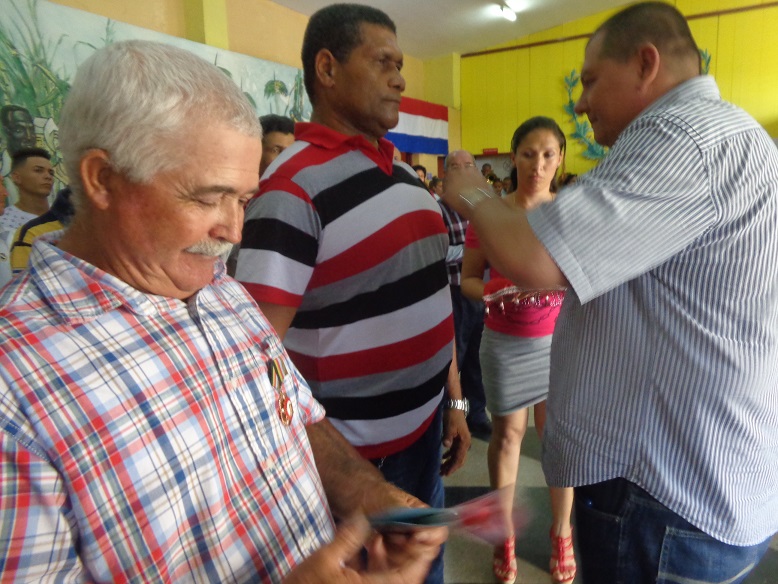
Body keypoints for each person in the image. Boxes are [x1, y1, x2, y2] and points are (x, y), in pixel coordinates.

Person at [0, 39, 446, 583]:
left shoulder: (224, 294)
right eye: (209, 199)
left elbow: (296, 419)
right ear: (102, 179)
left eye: (243, 200)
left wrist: (368, 493)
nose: (233, 232)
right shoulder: (14, 389)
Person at [442, 3, 778, 583]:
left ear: (646, 64)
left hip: (664, 493)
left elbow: (536, 259)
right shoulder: (737, 137)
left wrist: (472, 192)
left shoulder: (683, 139)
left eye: (591, 80)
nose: (580, 101)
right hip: (703, 474)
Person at [235, 6, 470, 583]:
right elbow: (254, 362)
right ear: (328, 68)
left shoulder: (408, 180)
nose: (400, 77)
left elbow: (432, 301)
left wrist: (455, 402)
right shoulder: (291, 192)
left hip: (423, 437)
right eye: (383, 61)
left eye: (401, 64)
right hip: (356, 466)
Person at [461, 118, 574, 584]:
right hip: (505, 343)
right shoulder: (491, 214)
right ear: (513, 157)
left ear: (561, 159)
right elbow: (468, 278)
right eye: (529, 153)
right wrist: (492, 294)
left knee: (559, 443)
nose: (539, 164)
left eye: (549, 154)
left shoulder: (568, 215)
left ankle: (561, 533)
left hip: (559, 344)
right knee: (508, 437)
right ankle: (503, 534)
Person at [439, 151, 490, 440]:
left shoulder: (483, 205)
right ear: (446, 174)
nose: (463, 170)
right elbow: (438, 251)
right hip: (452, 295)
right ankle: (449, 415)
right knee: (451, 362)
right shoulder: (438, 208)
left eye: (468, 165)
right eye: (455, 167)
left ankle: (478, 414)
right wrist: (473, 251)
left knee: (476, 359)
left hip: (478, 292)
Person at [0, 147, 54, 287]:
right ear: (16, 177)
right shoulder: (5, 225)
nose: (48, 176)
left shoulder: (65, 219)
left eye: (51, 172)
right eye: (38, 170)